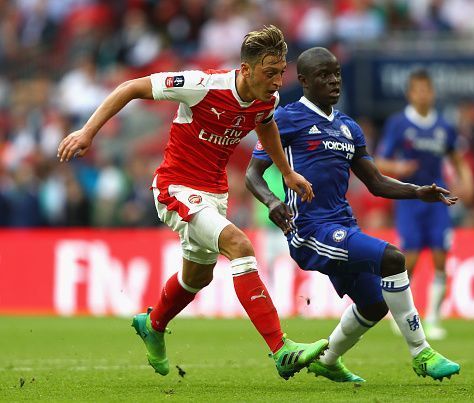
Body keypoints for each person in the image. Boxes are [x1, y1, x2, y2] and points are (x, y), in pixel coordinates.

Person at [57, 26, 328, 380]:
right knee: (240, 245)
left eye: (280, 72)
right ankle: (281, 349)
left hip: (213, 193)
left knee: (196, 277)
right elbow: (130, 88)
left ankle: (152, 325)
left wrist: (287, 173)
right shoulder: (202, 85)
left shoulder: (267, 99)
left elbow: (265, 126)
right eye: (270, 72)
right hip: (175, 187)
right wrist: (87, 132)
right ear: (246, 70)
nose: (278, 81)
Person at [246, 47, 460, 383]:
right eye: (323, 75)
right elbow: (252, 174)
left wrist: (416, 190)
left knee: (375, 305)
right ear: (303, 81)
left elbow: (375, 182)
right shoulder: (286, 119)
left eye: (336, 74)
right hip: (310, 231)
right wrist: (273, 202)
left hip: (342, 226)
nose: (333, 81)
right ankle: (422, 353)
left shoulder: (348, 127)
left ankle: (328, 360)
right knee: (393, 258)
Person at [375, 70, 473, 340]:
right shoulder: (398, 124)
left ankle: (433, 318)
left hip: (438, 199)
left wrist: (466, 180)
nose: (422, 94)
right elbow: (379, 162)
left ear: (432, 92)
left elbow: (456, 158)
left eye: (426, 89)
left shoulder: (444, 126)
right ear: (410, 93)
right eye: (417, 90)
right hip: (410, 198)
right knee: (412, 259)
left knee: (441, 257)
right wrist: (399, 167)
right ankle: (401, 314)